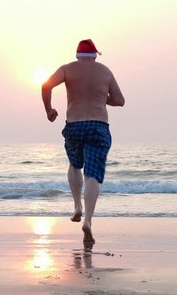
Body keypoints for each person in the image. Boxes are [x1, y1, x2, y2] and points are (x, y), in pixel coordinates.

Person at [41, 39, 124, 247]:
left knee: (75, 165)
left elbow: (46, 85)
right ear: (95, 55)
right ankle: (87, 220)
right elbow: (120, 100)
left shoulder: (67, 69)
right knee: (93, 175)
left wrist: (49, 110)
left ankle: (77, 206)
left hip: (75, 125)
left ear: (78, 55)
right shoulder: (105, 71)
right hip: (98, 126)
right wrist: (101, 98)